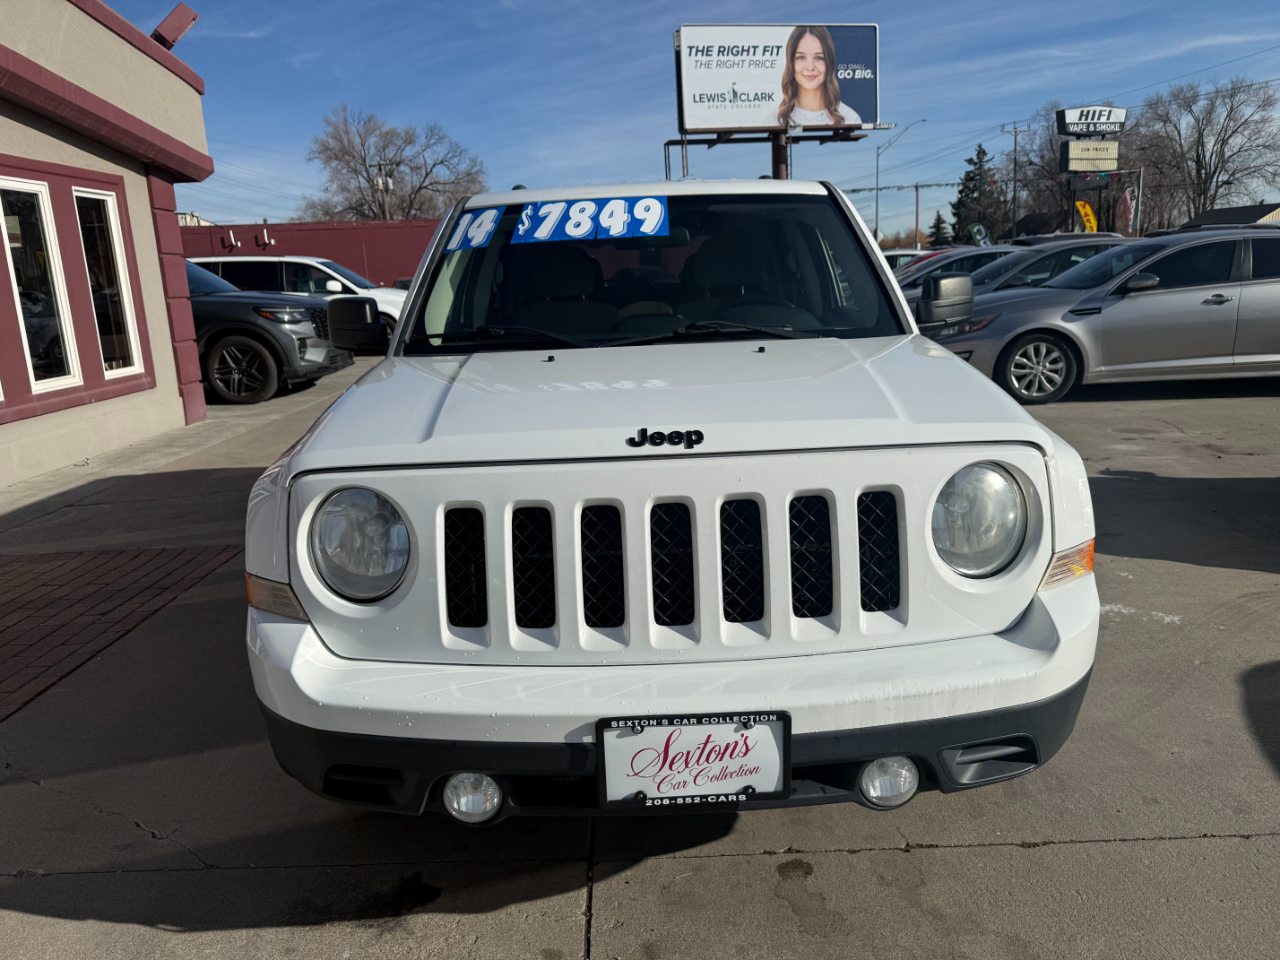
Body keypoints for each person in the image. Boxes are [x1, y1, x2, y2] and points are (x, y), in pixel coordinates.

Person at [777, 26, 860, 128]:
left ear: (829, 62)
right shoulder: (775, 120)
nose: (810, 67)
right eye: (801, 57)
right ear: (791, 62)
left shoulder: (850, 118)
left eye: (819, 58)